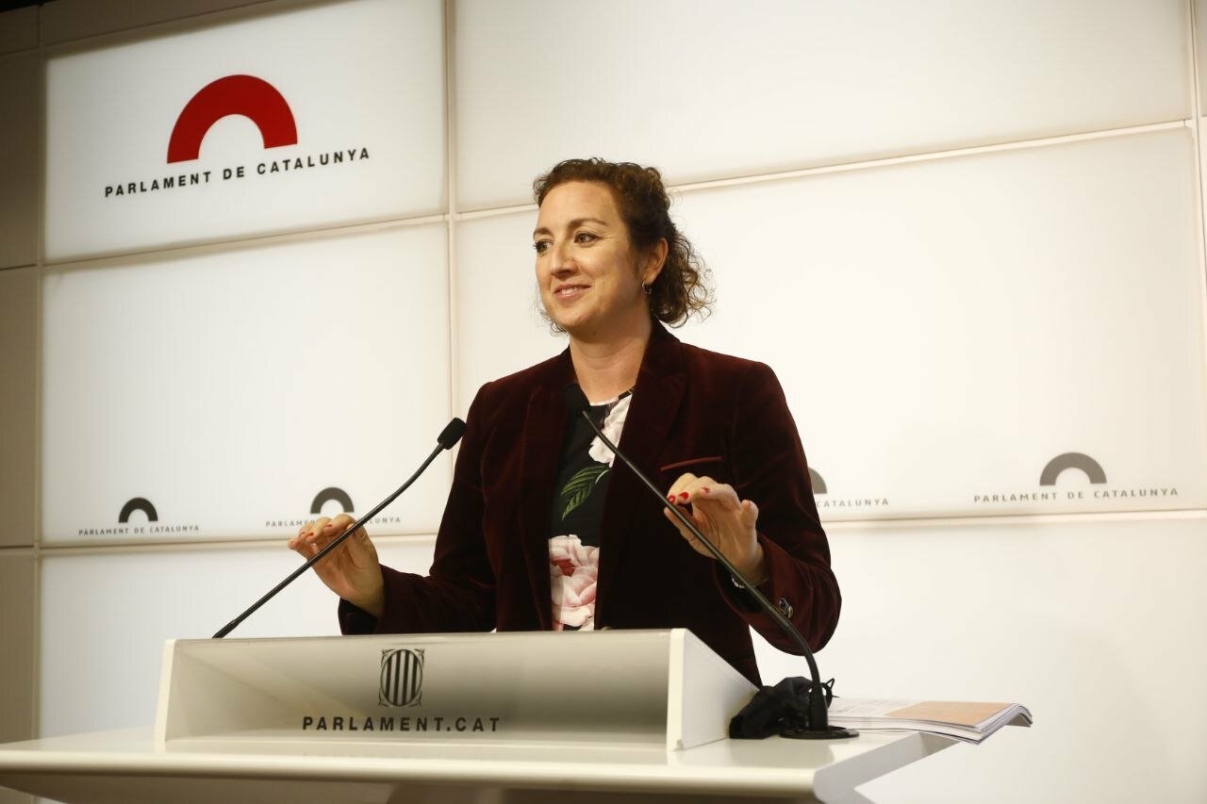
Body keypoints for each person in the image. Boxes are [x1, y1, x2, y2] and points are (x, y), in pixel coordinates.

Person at [289, 158, 840, 685]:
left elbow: (815, 613)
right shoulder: (503, 408)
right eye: (543, 244)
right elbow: (469, 599)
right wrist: (376, 592)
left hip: (688, 744)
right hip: (537, 736)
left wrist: (750, 560)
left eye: (585, 237)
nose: (558, 262)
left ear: (651, 260)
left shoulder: (733, 392)